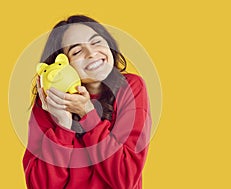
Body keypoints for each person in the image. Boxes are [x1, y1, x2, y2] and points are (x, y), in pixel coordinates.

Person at [23, 15, 151, 189]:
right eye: (77, 51)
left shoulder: (130, 87)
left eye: (97, 42)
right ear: (62, 63)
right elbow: (40, 186)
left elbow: (124, 178)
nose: (91, 53)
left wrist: (87, 113)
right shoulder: (50, 101)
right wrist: (63, 124)